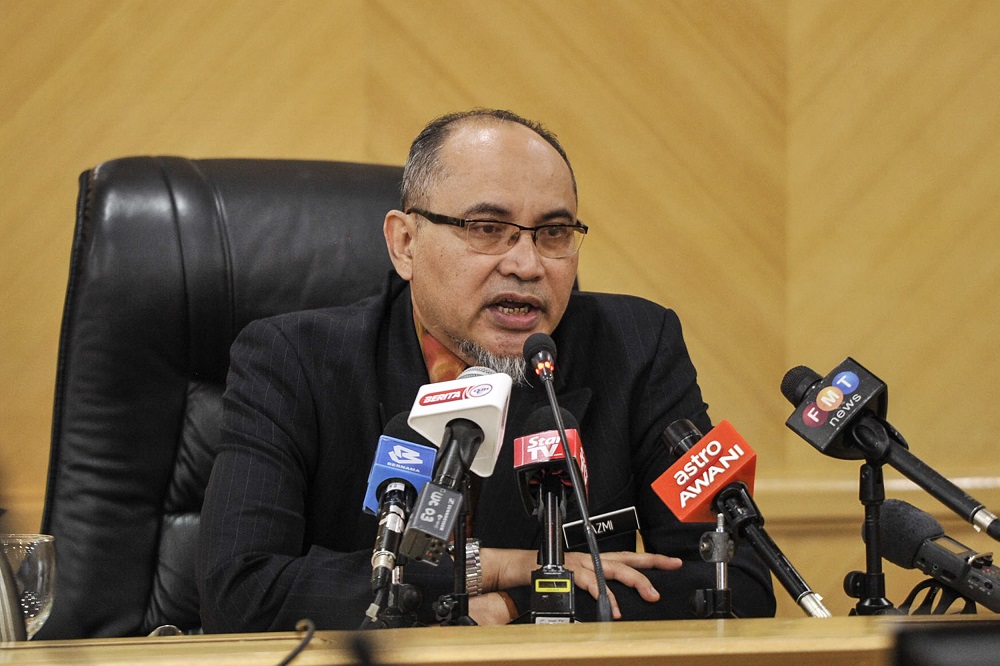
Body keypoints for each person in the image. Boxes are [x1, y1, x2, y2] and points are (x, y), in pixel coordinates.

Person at [197, 109, 775, 632]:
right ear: (404, 243)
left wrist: (518, 605)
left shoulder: (636, 347)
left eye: (553, 234)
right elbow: (240, 591)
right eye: (486, 229)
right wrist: (498, 570)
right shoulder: (293, 361)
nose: (525, 264)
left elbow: (733, 584)